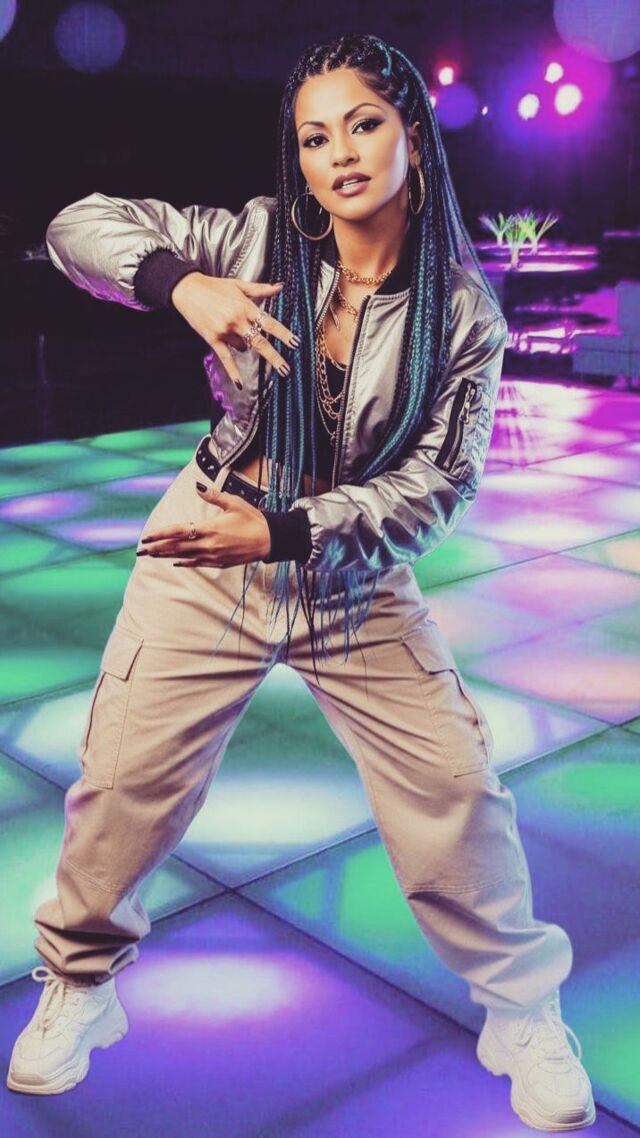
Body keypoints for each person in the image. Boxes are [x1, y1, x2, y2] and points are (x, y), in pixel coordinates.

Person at [7, 32, 595, 1131]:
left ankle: (522, 1010)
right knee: (122, 780)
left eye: (363, 124)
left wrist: (286, 533)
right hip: (207, 540)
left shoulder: (464, 312)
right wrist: (184, 285)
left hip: (347, 565)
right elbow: (78, 224)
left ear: (411, 132)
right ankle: (80, 984)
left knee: (456, 788)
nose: (340, 154)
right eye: (315, 137)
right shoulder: (257, 236)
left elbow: (435, 489)